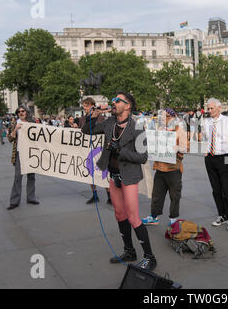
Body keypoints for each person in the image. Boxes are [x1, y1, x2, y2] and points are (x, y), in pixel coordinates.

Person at [81, 91, 157, 271]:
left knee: (133, 216)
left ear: (127, 105)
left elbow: (143, 157)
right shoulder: (109, 123)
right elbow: (86, 131)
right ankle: (129, 251)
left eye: (118, 100)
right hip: (113, 174)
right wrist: (92, 116)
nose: (113, 103)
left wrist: (120, 150)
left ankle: (150, 257)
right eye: (113, 100)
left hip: (129, 175)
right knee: (119, 214)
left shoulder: (137, 127)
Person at [142, 108, 189, 226]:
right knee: (157, 194)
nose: (163, 119)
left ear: (173, 117)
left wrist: (177, 148)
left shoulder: (180, 130)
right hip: (160, 167)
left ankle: (173, 219)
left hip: (174, 169)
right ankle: (154, 216)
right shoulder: (159, 129)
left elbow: (186, 148)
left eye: (166, 116)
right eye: (162, 117)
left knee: (175, 195)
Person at [203, 98, 228, 230]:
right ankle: (221, 215)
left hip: (224, 157)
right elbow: (205, 139)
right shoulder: (206, 122)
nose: (209, 111)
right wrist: (206, 151)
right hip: (210, 158)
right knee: (216, 190)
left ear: (219, 108)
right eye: (208, 108)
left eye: (212, 108)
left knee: (226, 189)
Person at [78, 97, 111, 205]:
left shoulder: (100, 118)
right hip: (87, 149)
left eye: (86, 105)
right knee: (90, 172)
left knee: (103, 173)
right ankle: (94, 195)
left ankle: (109, 196)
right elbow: (81, 130)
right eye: (84, 105)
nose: (84, 107)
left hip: (99, 149)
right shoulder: (82, 118)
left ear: (92, 106)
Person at [6, 105, 39, 210]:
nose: (21, 113)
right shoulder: (14, 123)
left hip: (31, 153)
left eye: (23, 111)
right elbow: (10, 139)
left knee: (31, 176)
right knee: (18, 177)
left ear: (26, 112)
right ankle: (14, 201)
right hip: (19, 154)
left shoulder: (32, 123)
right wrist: (15, 130)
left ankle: (31, 197)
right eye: (19, 111)